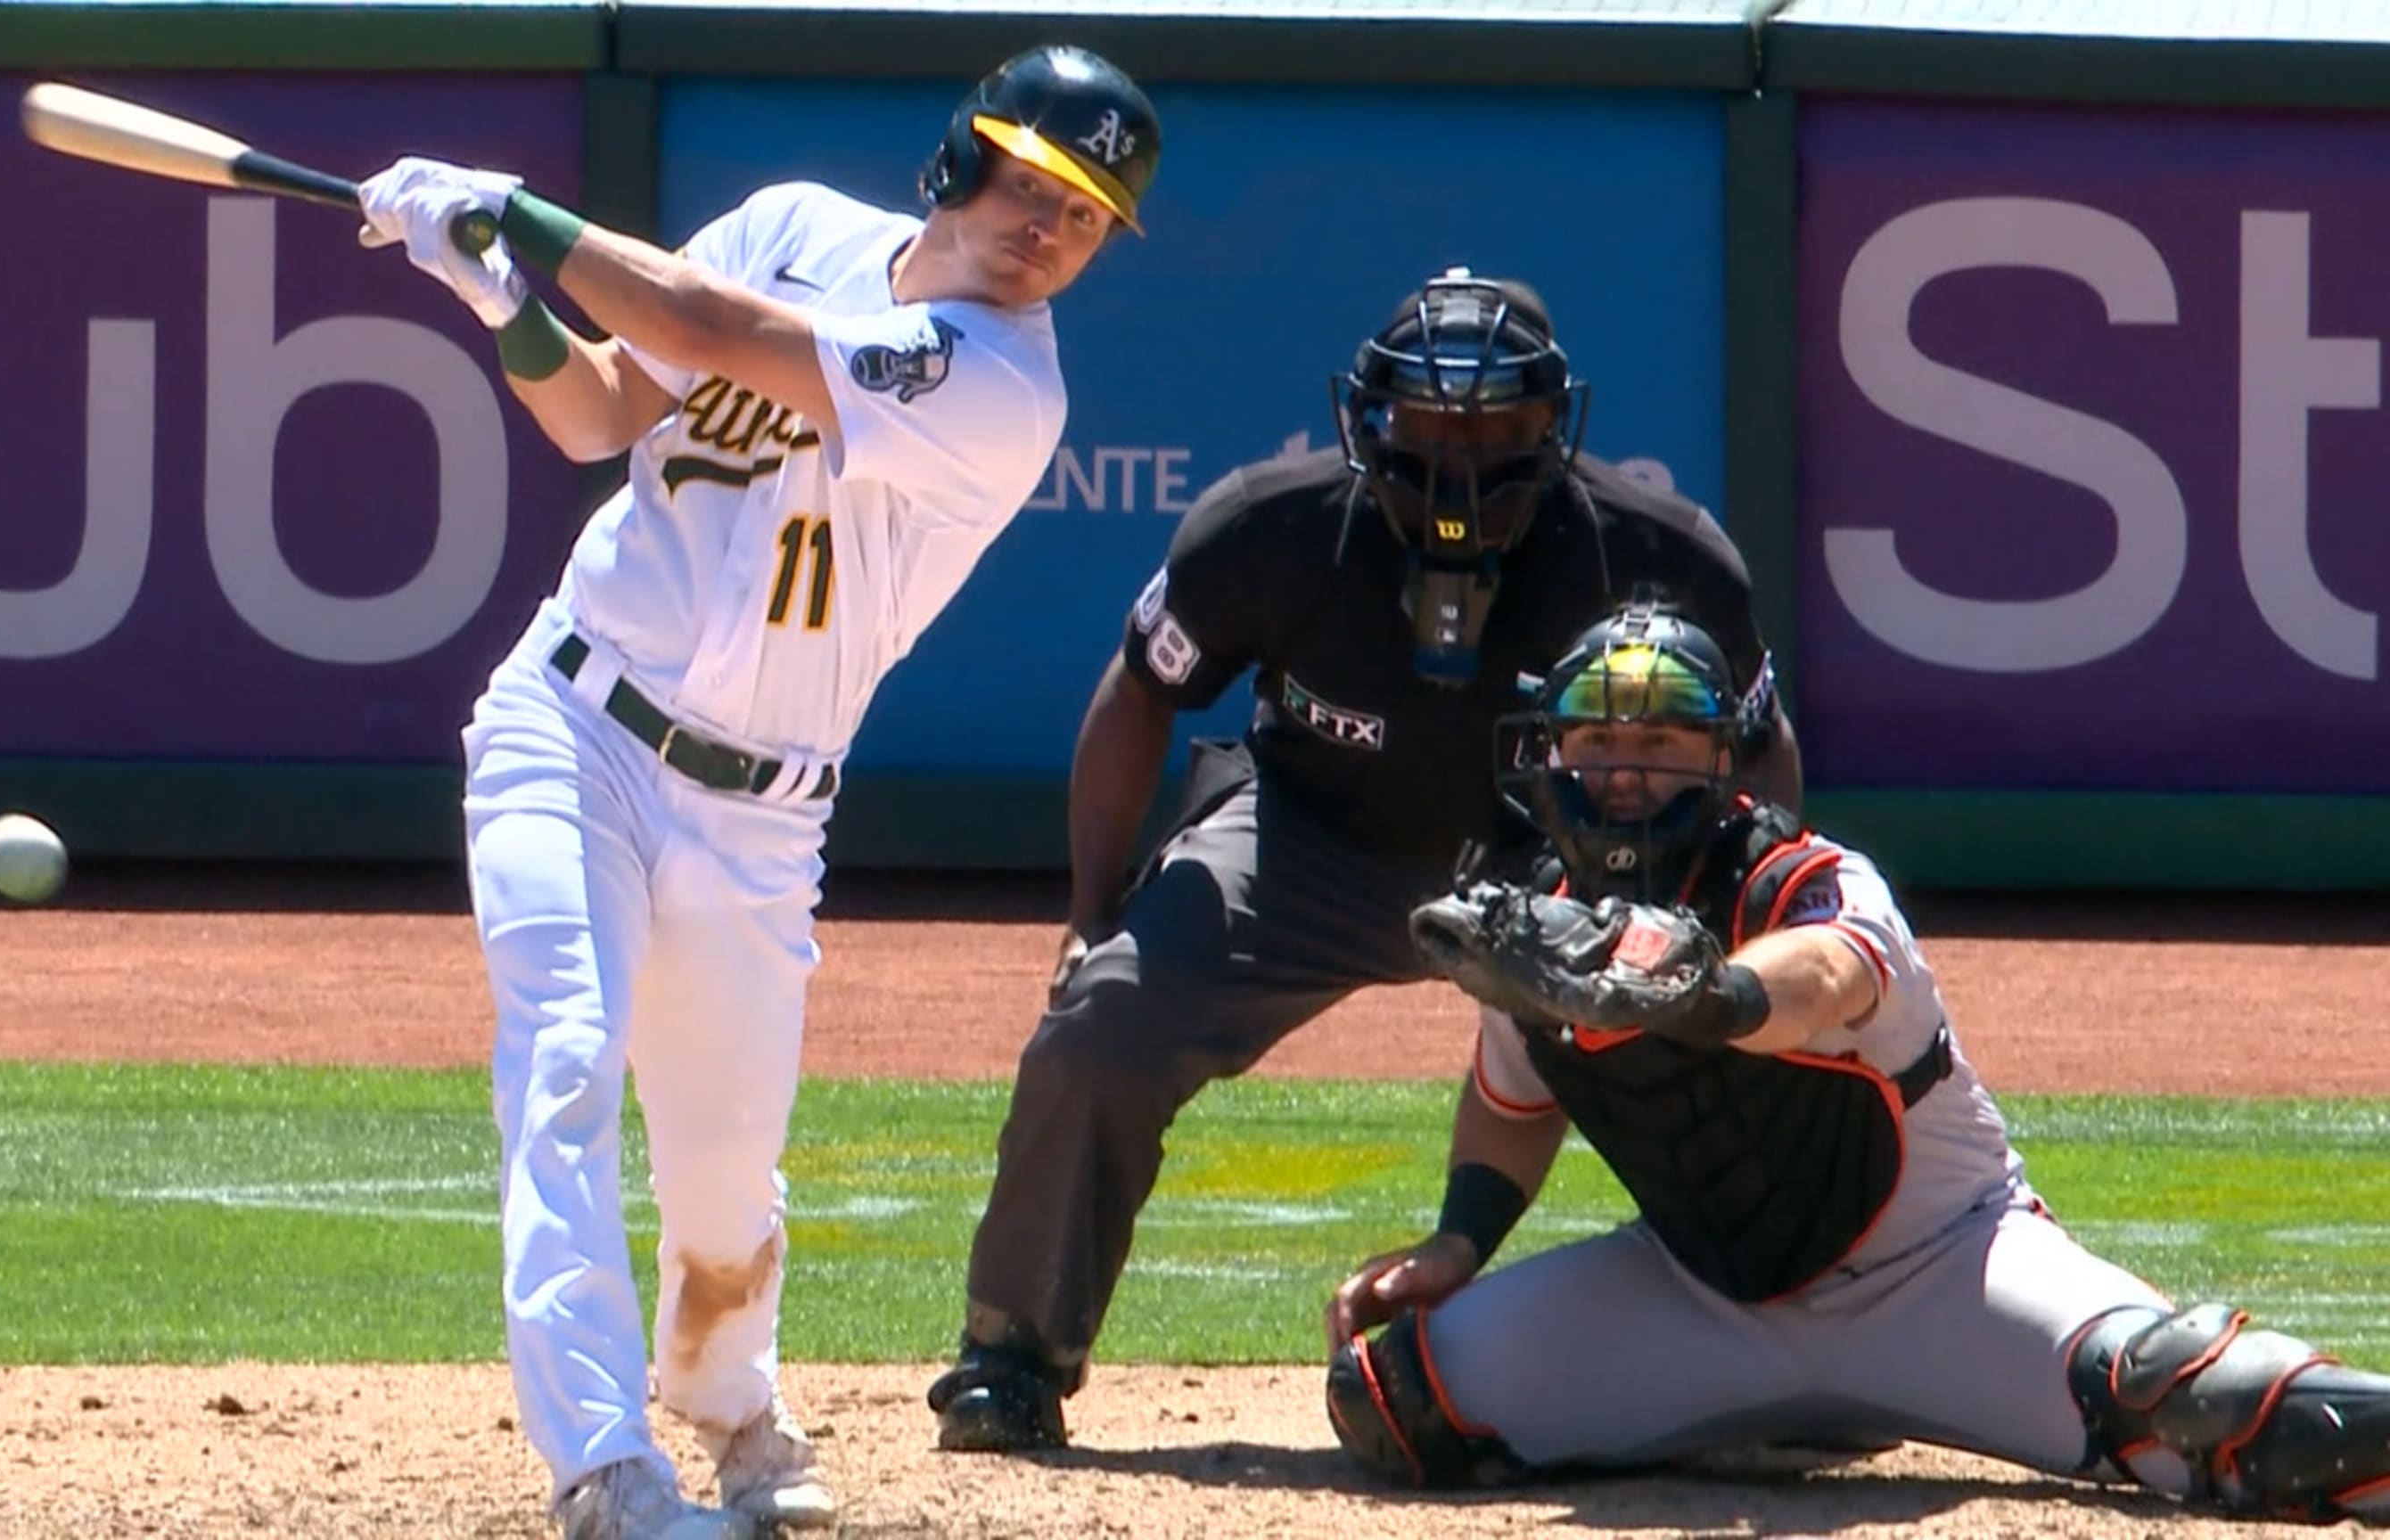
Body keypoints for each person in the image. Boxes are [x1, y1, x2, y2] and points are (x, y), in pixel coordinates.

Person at [351, 45, 1163, 1540]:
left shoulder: (998, 382)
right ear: (961, 160)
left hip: (762, 810)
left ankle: (729, 1402)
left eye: (1088, 214)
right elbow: (602, 411)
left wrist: (518, 215)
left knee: (724, 1173)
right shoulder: (792, 221)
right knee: (566, 1061)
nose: (1050, 227)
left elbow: (708, 326)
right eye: (1035, 183)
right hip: (572, 720)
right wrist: (497, 295)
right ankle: (602, 1460)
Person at [928, 271, 1804, 1452]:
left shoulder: (1659, 554)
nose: (1461, 452)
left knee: (1738, 1058)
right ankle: (1011, 1351)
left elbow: (1761, 752)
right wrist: (1091, 915)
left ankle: (1791, 1355)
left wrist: (1744, 946)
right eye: (1433, 419)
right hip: (1306, 839)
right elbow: (1141, 690)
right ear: (1370, 417)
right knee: (1107, 1018)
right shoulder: (1265, 528)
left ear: (1555, 425)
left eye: (1496, 422)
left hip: (1559, 866)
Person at [1322, 600, 2390, 1526]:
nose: (1624, 767)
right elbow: (1512, 1102)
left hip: (1944, 1272)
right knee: (1395, 1401)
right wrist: (1459, 1240)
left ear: (1725, 753)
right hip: (1698, 1296)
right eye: (1594, 736)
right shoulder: (1545, 931)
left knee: (2194, 1396)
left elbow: (1823, 980)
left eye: (1663, 736)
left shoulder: (1812, 881)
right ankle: (1773, 1419)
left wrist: (1701, 989)